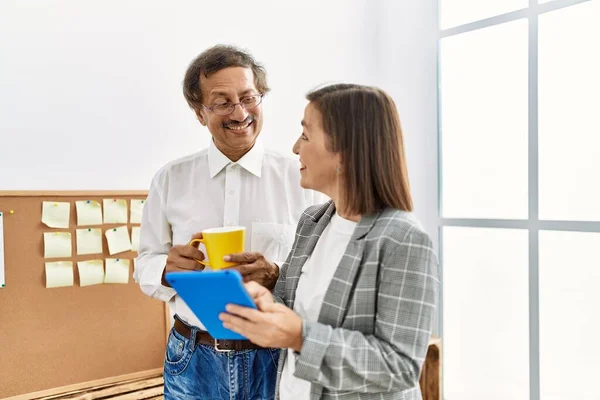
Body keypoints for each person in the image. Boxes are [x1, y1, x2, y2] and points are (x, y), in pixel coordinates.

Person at [220, 83, 440, 399]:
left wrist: (300, 337)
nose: (296, 147)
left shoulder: (402, 239)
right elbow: (290, 305)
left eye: (306, 135)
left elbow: (400, 367)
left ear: (345, 151)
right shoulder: (312, 222)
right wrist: (264, 303)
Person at [133, 45, 322, 400]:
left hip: (277, 358)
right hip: (192, 358)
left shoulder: (301, 177)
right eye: (222, 102)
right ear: (199, 113)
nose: (240, 112)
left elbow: (326, 271)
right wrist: (164, 269)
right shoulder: (170, 179)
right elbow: (144, 263)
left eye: (249, 97)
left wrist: (277, 275)